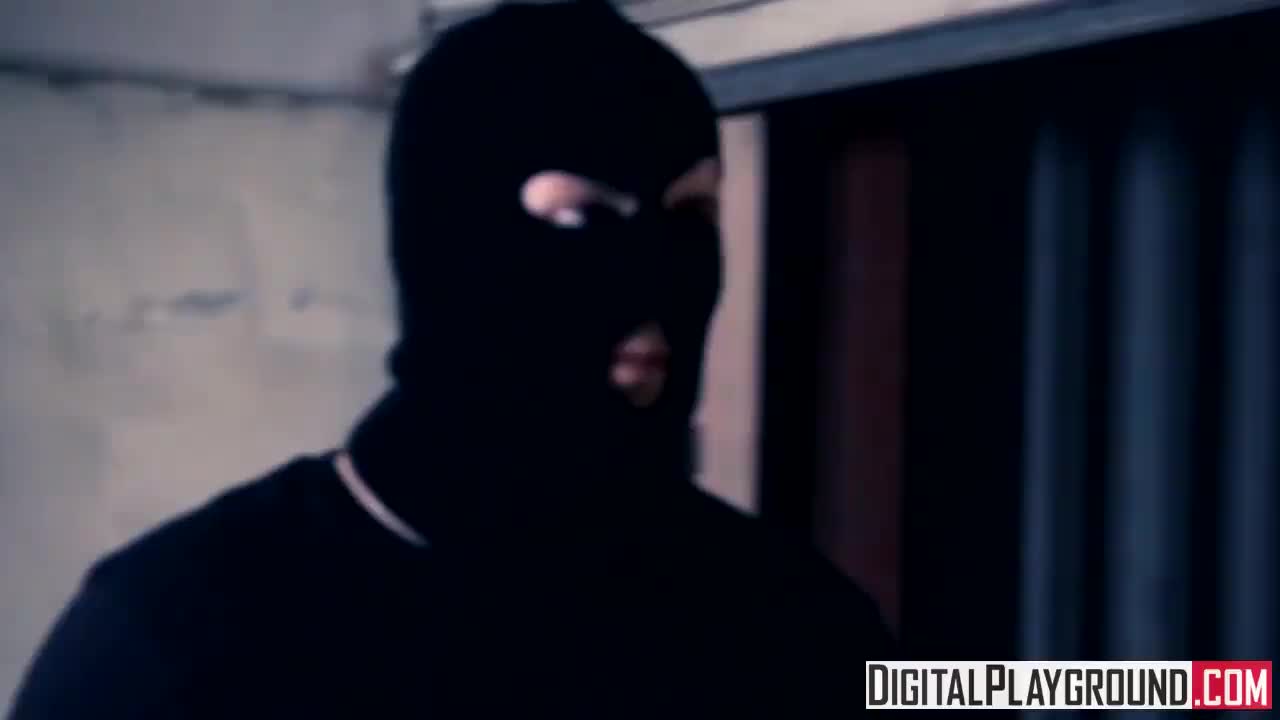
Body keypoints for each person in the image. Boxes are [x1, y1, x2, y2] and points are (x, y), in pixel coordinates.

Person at [8, 2, 894, 717]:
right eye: (582, 216)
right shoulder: (183, 632)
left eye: (690, 215)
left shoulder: (795, 623)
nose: (656, 273)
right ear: (446, 243)